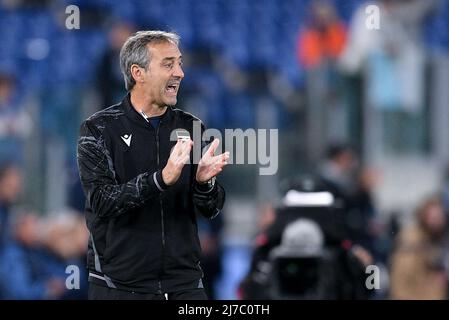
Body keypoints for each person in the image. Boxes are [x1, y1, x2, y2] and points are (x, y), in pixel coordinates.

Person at [77, 30, 229, 300]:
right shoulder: (98, 128)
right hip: (119, 286)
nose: (180, 73)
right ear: (138, 73)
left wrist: (205, 184)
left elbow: (211, 209)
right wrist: (159, 180)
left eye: (179, 63)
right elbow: (101, 200)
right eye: (168, 64)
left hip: (184, 284)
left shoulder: (191, 127)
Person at [389, 197, 449, 299]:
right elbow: (400, 278)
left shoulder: (440, 238)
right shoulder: (411, 239)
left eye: (439, 217)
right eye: (432, 217)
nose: (435, 221)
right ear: (423, 216)